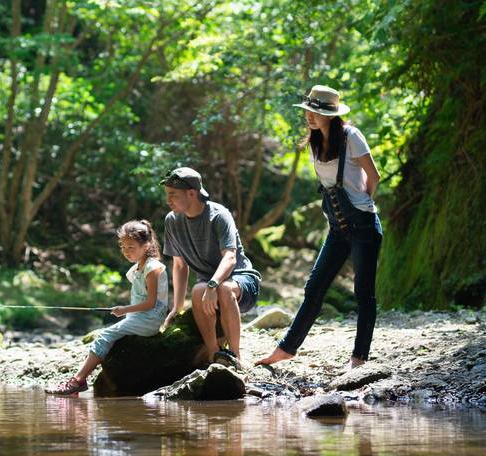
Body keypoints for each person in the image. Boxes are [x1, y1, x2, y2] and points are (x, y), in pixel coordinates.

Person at [256, 85, 382, 369]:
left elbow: (374, 176)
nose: (310, 117)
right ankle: (287, 349)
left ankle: (359, 358)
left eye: (317, 113)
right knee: (314, 288)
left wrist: (363, 202)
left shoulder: (352, 137)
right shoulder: (314, 141)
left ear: (331, 115)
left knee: (363, 292)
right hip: (337, 228)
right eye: (308, 112)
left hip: (363, 224)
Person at [49, 221, 169, 395]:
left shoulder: (153, 268)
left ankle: (78, 382)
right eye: (123, 247)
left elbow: (150, 303)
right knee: (108, 336)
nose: (126, 252)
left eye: (131, 247)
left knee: (105, 335)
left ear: (146, 245)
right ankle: (79, 379)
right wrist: (126, 312)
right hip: (139, 318)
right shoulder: (136, 269)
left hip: (150, 319)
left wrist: (124, 310)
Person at [160, 166, 261, 368]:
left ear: (192, 193)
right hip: (207, 286)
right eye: (167, 195)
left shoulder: (218, 215)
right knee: (197, 290)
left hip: (241, 280)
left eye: (173, 195)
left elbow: (230, 258)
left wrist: (213, 284)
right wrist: (178, 306)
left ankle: (235, 356)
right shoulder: (172, 220)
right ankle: (214, 355)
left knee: (222, 289)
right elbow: (179, 265)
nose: (168, 200)